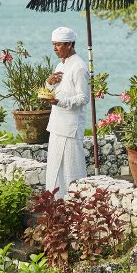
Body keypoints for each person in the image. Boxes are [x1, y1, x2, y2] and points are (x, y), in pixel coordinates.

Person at [41, 27, 90, 199]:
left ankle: (76, 206)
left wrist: (59, 101)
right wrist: (49, 84)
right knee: (54, 169)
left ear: (69, 44)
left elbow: (84, 98)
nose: (54, 48)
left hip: (71, 128)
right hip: (56, 125)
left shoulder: (79, 67)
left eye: (57, 45)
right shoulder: (61, 64)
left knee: (72, 169)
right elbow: (57, 89)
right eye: (53, 44)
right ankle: (56, 204)